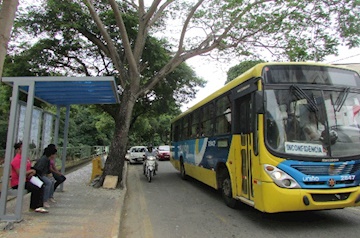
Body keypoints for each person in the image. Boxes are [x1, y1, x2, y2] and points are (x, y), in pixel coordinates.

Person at [10, 141, 48, 213]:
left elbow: (28, 168)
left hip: (27, 178)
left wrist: (32, 172)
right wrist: (31, 171)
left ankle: (39, 205)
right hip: (18, 182)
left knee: (41, 185)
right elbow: (20, 173)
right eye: (22, 148)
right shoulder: (16, 160)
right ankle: (34, 206)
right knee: (35, 188)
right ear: (18, 149)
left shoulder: (26, 158)